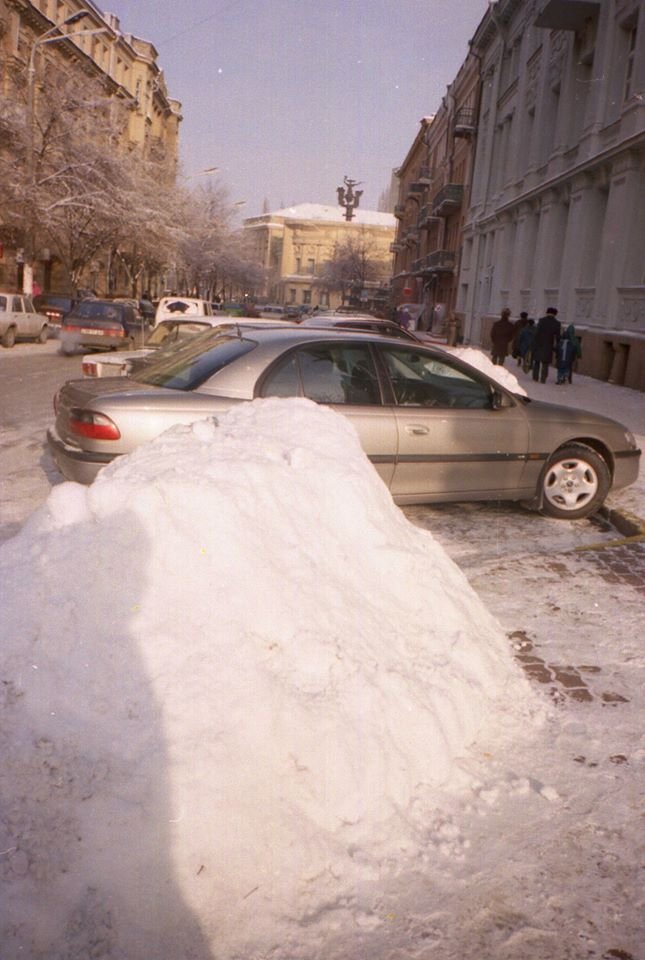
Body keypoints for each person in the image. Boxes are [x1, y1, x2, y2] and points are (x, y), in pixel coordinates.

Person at [531, 307, 561, 383]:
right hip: (548, 345)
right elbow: (558, 337)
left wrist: (534, 343)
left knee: (537, 362)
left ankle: (535, 377)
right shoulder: (557, 323)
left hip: (538, 344)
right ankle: (543, 379)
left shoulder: (541, 321)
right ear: (555, 314)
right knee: (545, 363)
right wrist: (557, 346)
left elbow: (536, 333)